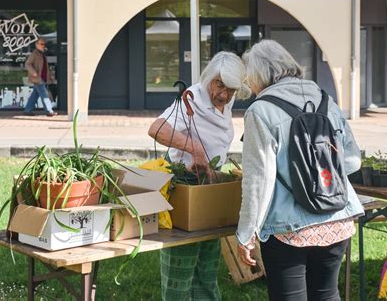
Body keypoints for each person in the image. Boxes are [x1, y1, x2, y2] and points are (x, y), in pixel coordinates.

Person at [236, 40, 364, 301]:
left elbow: (258, 182)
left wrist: (246, 235)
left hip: (288, 229)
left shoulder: (260, 111)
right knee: (327, 294)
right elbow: (352, 160)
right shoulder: (324, 98)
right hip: (337, 217)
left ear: (259, 75)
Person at [148, 51, 250, 300]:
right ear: (210, 78)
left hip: (209, 186)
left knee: (207, 264)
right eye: (219, 86)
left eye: (231, 91)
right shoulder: (192, 98)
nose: (224, 95)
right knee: (180, 267)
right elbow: (157, 129)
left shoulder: (226, 100)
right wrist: (195, 149)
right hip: (185, 187)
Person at [24, 38, 57, 117]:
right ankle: (49, 111)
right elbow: (27, 64)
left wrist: (50, 76)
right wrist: (33, 72)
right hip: (38, 79)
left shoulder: (42, 54)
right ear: (36, 45)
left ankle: (28, 110)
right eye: (41, 44)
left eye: (44, 44)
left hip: (42, 78)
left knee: (35, 95)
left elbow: (45, 67)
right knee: (44, 94)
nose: (43, 46)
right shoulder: (34, 54)